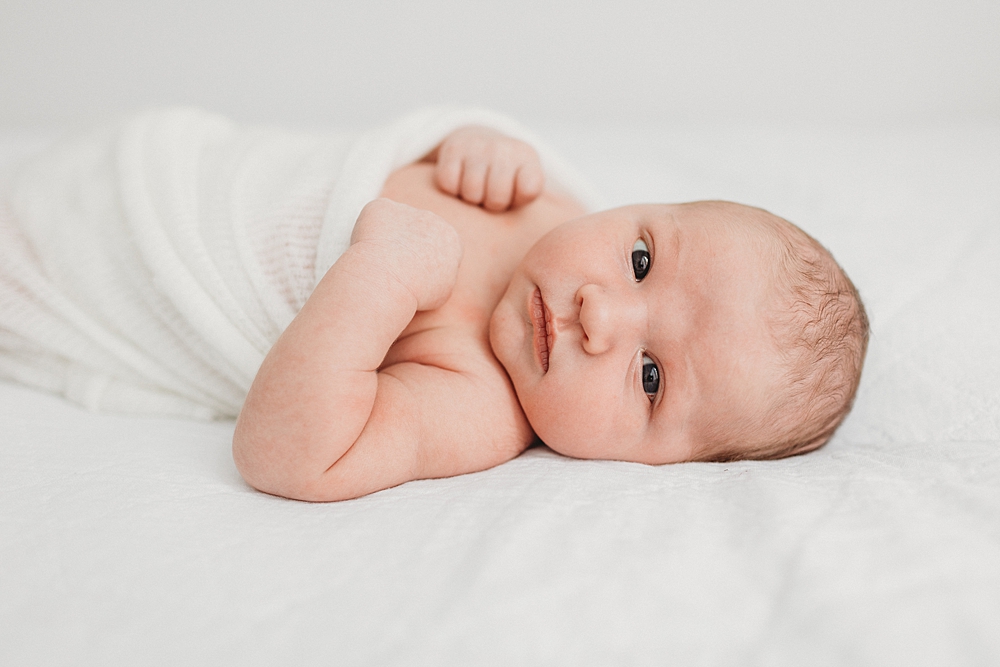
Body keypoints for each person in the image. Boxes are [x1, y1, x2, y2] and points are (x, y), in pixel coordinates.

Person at [232, 125, 869, 502]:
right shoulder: (544, 201)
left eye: (651, 378)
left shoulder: (481, 405)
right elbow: (420, 145)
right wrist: (469, 141)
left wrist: (380, 273)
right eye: (641, 262)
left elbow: (292, 454)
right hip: (213, 156)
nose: (599, 315)